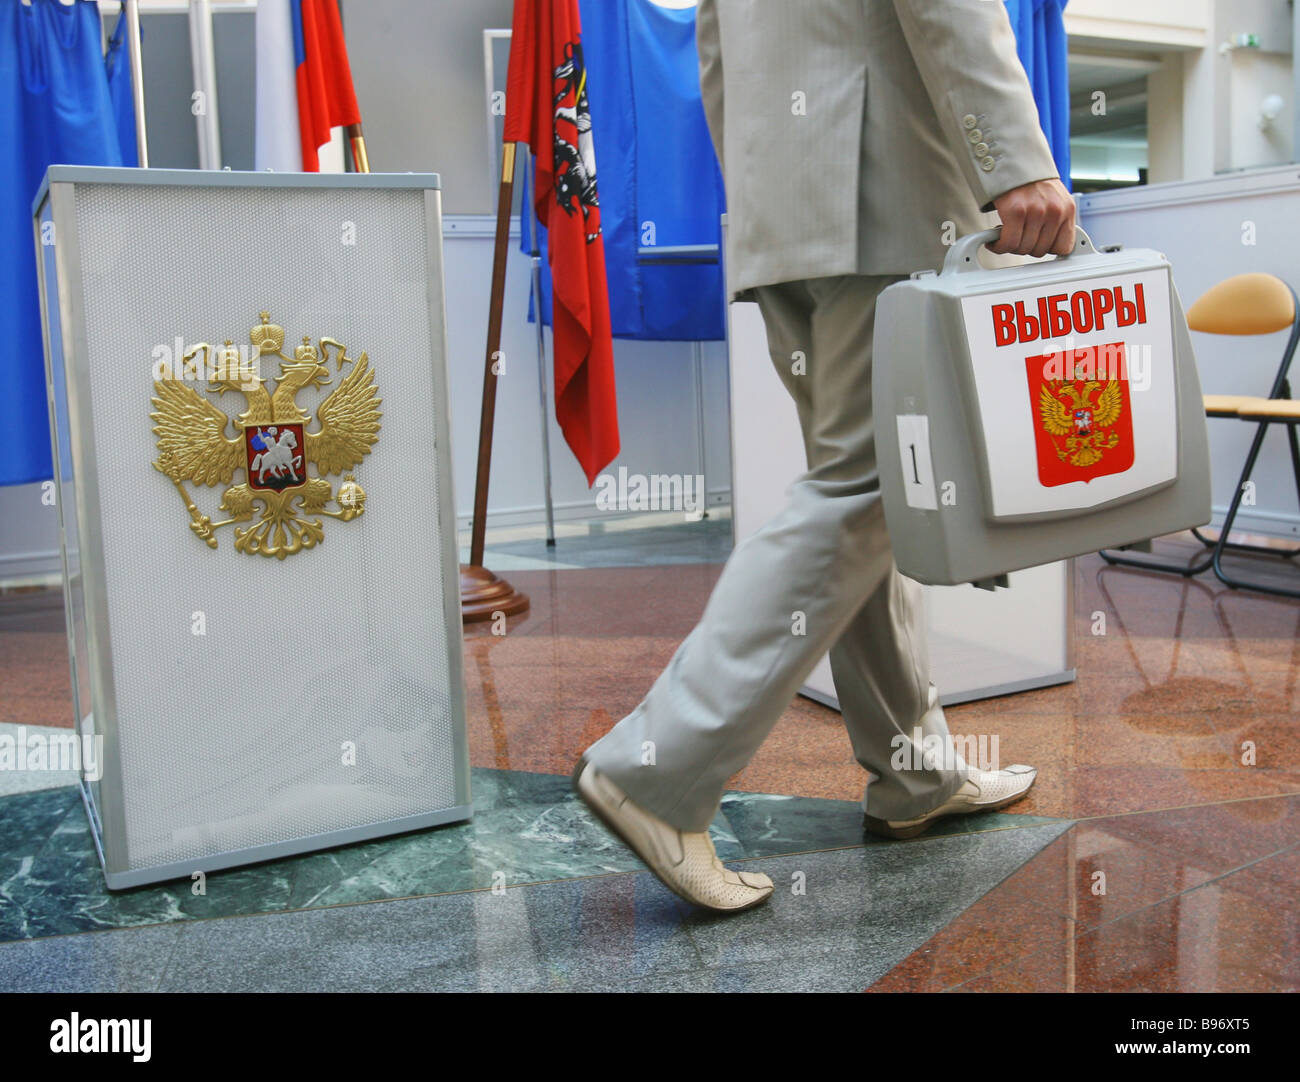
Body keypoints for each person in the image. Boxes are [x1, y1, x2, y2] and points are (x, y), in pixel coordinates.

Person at [574, 0, 1077, 913]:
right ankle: (658, 769)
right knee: (868, 491)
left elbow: (716, 48)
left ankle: (914, 770)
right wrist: (1018, 161)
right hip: (886, 196)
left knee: (866, 505)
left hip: (789, 217)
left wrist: (764, 206)